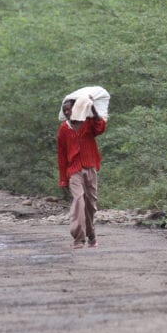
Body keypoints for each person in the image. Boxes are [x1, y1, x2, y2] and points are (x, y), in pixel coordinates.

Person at [57, 95, 107, 249]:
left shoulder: (88, 123)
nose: (66, 112)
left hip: (90, 167)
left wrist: (91, 106)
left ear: (76, 109)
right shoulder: (64, 129)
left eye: (69, 109)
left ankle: (91, 233)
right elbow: (62, 155)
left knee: (90, 204)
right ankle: (78, 238)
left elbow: (101, 127)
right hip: (74, 170)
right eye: (64, 110)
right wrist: (63, 179)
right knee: (78, 201)